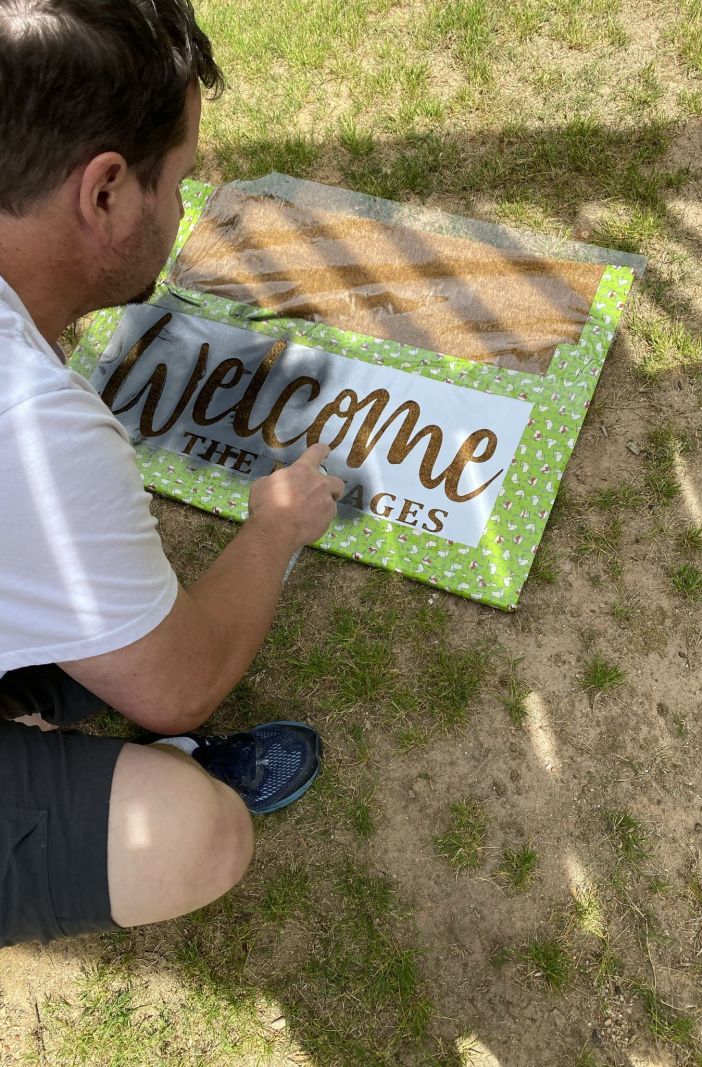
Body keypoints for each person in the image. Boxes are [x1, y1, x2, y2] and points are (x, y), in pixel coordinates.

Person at [0, 0, 344, 947]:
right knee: (192, 832)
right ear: (104, 190)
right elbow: (178, 686)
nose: (190, 209)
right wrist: (276, 526)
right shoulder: (35, 430)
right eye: (182, 179)